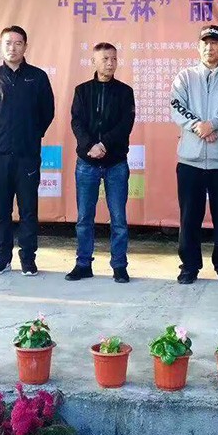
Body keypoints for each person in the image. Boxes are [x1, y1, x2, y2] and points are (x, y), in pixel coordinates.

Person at [169, 24, 218, 285]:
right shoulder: (185, 77)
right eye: (205, 43)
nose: (209, 47)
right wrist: (199, 126)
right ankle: (189, 266)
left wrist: (213, 124)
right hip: (190, 161)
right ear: (198, 46)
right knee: (189, 218)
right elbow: (176, 107)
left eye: (214, 43)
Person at [0, 25, 54, 276]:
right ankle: (2, 258)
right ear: (1, 46)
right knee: (0, 211)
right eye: (8, 43)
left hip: (27, 156)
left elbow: (47, 112)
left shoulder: (38, 77)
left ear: (25, 46)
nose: (12, 48)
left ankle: (28, 258)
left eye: (18, 43)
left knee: (28, 211)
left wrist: (31, 134)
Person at [66, 42, 136, 283]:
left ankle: (119, 265)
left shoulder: (125, 92)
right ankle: (83, 264)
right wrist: (90, 146)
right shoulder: (82, 90)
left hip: (116, 162)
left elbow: (125, 124)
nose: (110, 63)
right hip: (87, 163)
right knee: (84, 218)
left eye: (114, 58)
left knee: (118, 219)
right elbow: (76, 122)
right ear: (94, 62)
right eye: (105, 59)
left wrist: (104, 144)